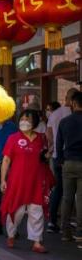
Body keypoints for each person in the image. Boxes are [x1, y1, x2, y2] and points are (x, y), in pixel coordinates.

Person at [0, 110, 54, 253]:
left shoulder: (41, 139)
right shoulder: (13, 138)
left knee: (36, 211)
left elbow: (44, 157)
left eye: (27, 119)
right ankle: (11, 235)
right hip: (17, 181)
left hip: (36, 182)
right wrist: (3, 180)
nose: (24, 121)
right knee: (16, 211)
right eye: (22, 119)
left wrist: (47, 154)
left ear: (34, 122)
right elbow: (6, 160)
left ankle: (36, 242)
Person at [46, 88, 79, 233]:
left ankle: (56, 223)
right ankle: (78, 227)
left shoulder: (57, 115)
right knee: (79, 195)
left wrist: (56, 153)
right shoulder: (69, 114)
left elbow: (52, 136)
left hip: (62, 160)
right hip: (78, 159)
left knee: (62, 193)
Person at [56, 91, 82, 244]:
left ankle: (65, 231)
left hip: (68, 162)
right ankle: (80, 231)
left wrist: (61, 160)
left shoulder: (65, 121)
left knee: (67, 197)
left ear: (73, 104)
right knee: (81, 199)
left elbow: (59, 144)